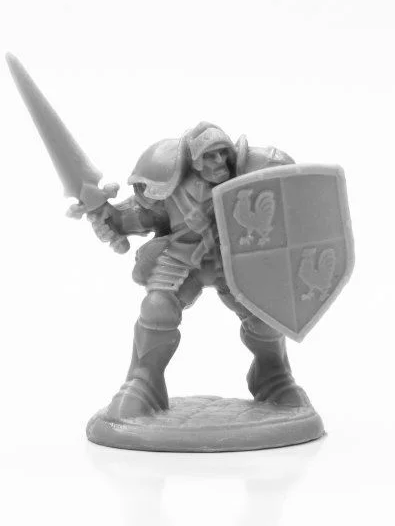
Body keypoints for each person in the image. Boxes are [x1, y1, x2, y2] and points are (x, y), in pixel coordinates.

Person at [83, 122, 310, 420]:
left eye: (222, 154)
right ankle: (144, 381)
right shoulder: (171, 190)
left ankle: (274, 375)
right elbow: (140, 216)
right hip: (183, 260)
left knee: (264, 312)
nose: (218, 161)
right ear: (195, 161)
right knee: (157, 308)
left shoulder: (245, 182)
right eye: (209, 156)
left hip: (231, 261)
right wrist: (108, 217)